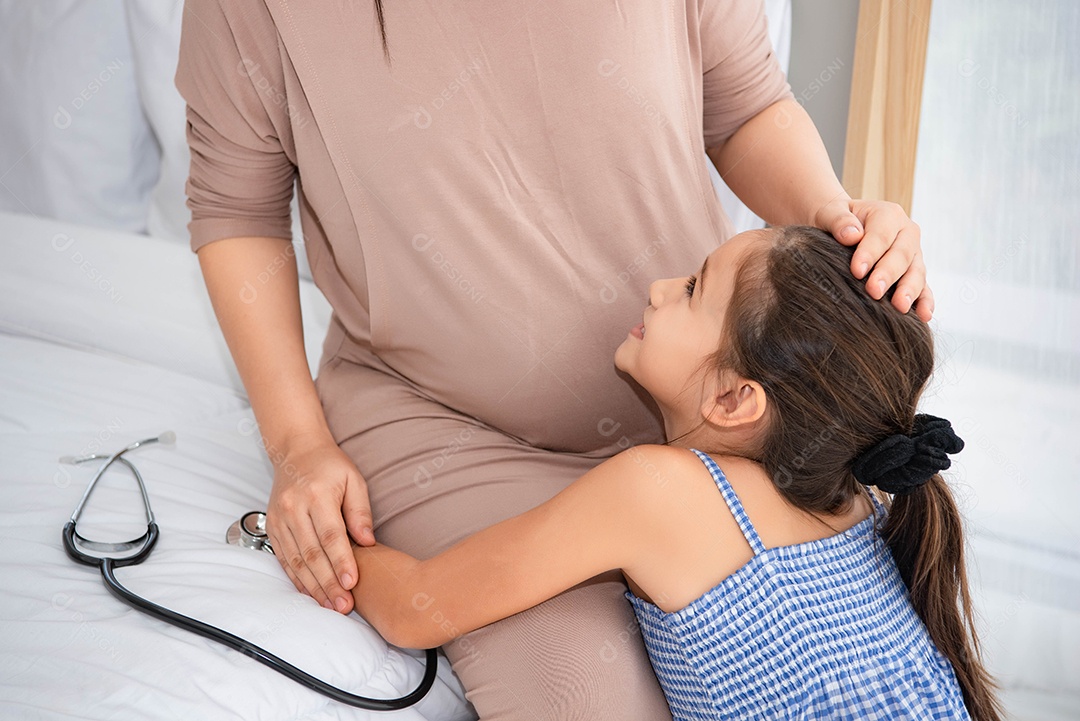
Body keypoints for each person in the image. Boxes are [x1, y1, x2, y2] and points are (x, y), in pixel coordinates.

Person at [177, 1, 936, 717]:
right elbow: (236, 209)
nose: (660, 287)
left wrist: (835, 224)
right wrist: (298, 447)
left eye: (694, 287)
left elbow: (745, 107)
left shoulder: (717, 452)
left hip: (702, 430)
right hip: (448, 427)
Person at [348, 225, 1003, 721]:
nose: (659, 288)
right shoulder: (857, 498)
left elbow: (415, 609)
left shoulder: (658, 491)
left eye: (693, 289)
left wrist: (316, 530)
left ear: (734, 400)